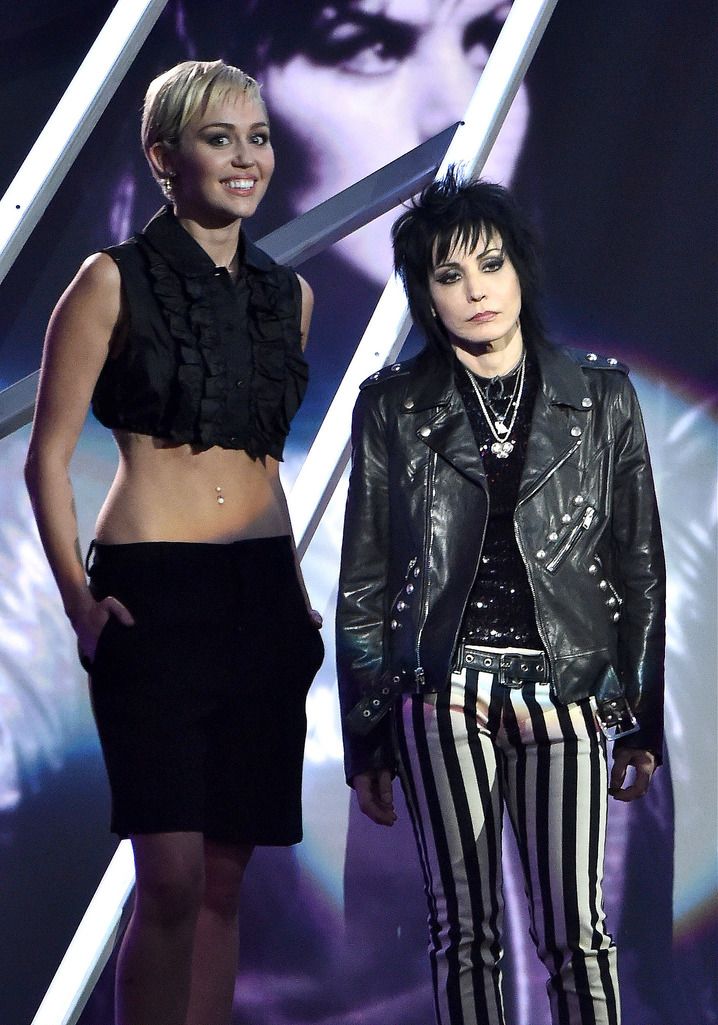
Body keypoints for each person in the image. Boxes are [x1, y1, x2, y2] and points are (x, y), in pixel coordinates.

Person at [24, 59, 323, 1025]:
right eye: (218, 138)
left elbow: (268, 466)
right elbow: (47, 457)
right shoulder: (108, 281)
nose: (245, 159)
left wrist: (297, 600)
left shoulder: (293, 298)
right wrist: (81, 603)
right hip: (154, 594)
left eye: (257, 137)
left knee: (228, 883)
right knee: (172, 879)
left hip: (264, 601)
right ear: (164, 157)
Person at [336, 170, 665, 1025]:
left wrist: (641, 715)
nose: (476, 290)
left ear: (521, 268)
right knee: (464, 929)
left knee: (577, 934)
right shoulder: (394, 407)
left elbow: (639, 566)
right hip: (443, 692)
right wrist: (366, 733)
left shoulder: (600, 398)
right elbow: (364, 580)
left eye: (491, 264)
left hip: (567, 689)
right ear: (425, 295)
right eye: (450, 275)